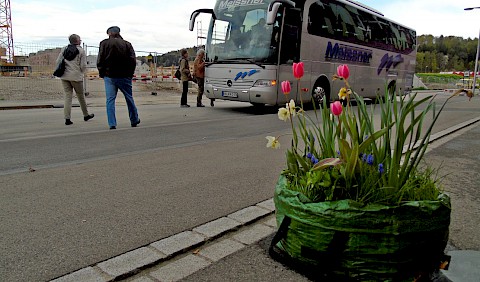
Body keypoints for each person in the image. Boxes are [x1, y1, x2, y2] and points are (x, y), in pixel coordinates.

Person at [97, 26, 140, 129]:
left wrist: (102, 72)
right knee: (129, 98)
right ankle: (134, 119)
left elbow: (100, 59)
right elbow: (132, 60)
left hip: (109, 75)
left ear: (109, 33)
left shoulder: (104, 43)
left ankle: (112, 123)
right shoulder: (127, 44)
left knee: (110, 100)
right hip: (124, 75)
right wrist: (130, 74)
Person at [55, 34, 94, 125]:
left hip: (64, 76)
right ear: (77, 41)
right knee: (81, 96)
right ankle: (85, 114)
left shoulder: (64, 49)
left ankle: (67, 118)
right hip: (76, 77)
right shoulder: (81, 51)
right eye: (80, 39)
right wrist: (84, 73)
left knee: (68, 97)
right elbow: (83, 65)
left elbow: (58, 61)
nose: (80, 41)